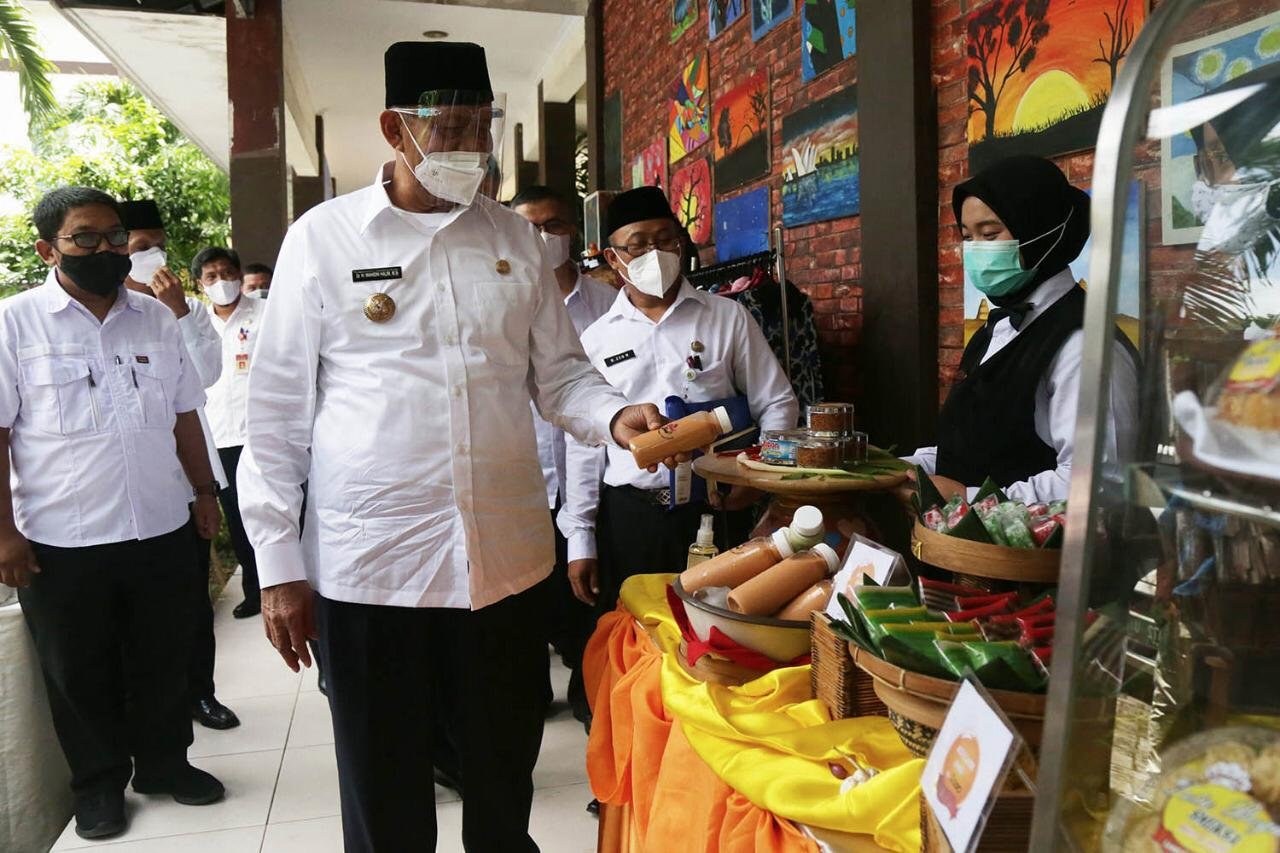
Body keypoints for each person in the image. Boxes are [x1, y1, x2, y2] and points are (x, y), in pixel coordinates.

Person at [237, 41, 677, 852]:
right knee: (386, 790)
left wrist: (616, 417)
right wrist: (278, 570)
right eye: (449, 127)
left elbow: (564, 379)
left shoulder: (515, 240)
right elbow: (274, 416)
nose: (470, 146)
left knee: (503, 777)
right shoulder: (322, 239)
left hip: (504, 564)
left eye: (483, 125)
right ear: (393, 131)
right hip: (373, 569)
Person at [0, 187, 225, 841]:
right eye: (84, 238)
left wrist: (204, 493)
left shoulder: (155, 319)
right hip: (61, 539)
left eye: (113, 236)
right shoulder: (15, 324)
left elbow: (185, 412)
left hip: (159, 525)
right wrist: (5, 533)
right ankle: (98, 785)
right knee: (79, 670)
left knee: (163, 656)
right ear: (49, 249)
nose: (105, 249)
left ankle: (164, 765)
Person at [557, 186, 799, 616]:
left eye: (665, 239)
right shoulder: (596, 338)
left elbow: (777, 402)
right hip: (632, 516)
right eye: (638, 244)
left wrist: (759, 479)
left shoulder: (727, 317)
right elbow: (583, 444)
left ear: (681, 242)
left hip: (717, 507)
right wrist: (581, 538)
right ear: (613, 259)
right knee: (636, 635)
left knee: (718, 627)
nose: (655, 252)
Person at [905, 155, 1139, 503]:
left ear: (1038, 228)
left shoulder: (1083, 344)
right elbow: (973, 445)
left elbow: (1100, 485)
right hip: (960, 553)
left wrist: (970, 498)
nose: (974, 252)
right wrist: (900, 467)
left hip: (1032, 556)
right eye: (967, 237)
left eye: (990, 234)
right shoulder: (997, 330)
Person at [119, 200, 240, 731]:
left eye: (159, 245)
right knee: (135, 610)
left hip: (189, 479)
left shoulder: (180, 311)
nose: (154, 256)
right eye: (142, 247)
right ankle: (147, 711)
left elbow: (209, 374)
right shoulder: (110, 307)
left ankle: (200, 694)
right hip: (127, 484)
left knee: (191, 600)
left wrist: (181, 312)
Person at [511, 184, 615, 728]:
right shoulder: (505, 302)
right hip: (524, 485)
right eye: (529, 228)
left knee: (583, 603)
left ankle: (586, 694)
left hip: (588, 484)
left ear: (574, 230)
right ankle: (529, 694)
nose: (542, 239)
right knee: (525, 606)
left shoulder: (608, 305)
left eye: (552, 226)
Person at [193, 247, 263, 620]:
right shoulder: (195, 322)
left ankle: (295, 581)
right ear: (200, 284)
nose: (221, 282)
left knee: (280, 510)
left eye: (227, 272)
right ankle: (255, 589)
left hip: (263, 434)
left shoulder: (266, 313)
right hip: (220, 438)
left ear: (238, 273)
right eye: (211, 276)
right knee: (238, 520)